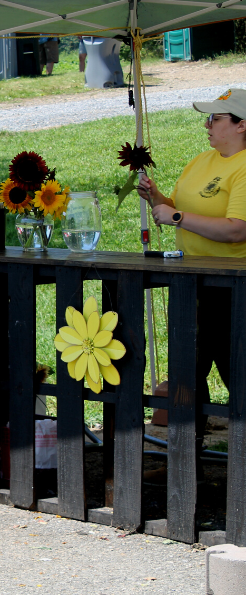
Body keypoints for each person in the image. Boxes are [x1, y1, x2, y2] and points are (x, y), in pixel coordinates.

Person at [138, 87, 246, 484]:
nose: (207, 125)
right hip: (191, 284)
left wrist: (177, 217)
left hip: (233, 288)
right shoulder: (202, 160)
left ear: (241, 125)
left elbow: (237, 231)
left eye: (216, 118)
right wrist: (156, 197)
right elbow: (178, 209)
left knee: (238, 377)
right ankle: (186, 469)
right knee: (188, 378)